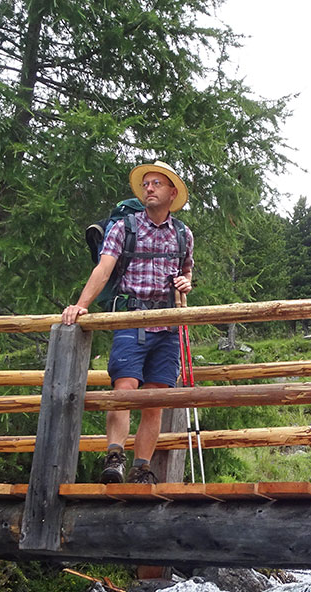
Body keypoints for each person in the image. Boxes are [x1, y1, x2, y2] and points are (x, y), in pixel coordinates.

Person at [61, 160, 194, 484]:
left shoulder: (183, 234)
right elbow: (103, 269)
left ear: (171, 193)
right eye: (145, 184)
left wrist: (186, 282)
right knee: (124, 388)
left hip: (168, 324)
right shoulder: (125, 227)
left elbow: (187, 270)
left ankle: (142, 468)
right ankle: (115, 457)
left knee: (155, 398)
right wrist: (80, 306)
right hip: (130, 318)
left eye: (156, 184)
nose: (149, 188)